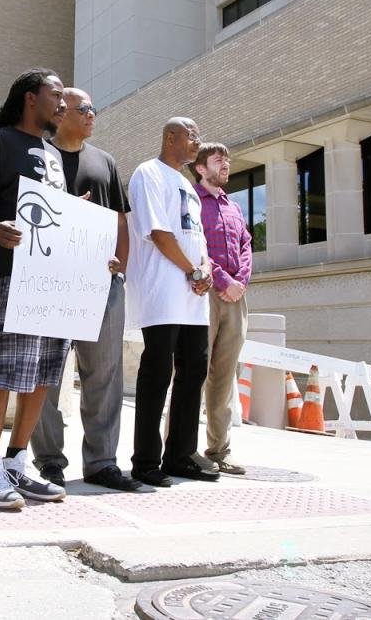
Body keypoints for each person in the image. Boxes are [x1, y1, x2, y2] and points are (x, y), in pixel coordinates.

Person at [0, 68, 71, 509]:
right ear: (30, 98)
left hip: (54, 279)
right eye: (56, 94)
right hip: (11, 273)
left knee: (46, 371)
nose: (63, 103)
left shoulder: (54, 153)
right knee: (7, 367)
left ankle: (15, 461)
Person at [30, 87, 142, 492]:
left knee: (105, 375)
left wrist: (121, 268)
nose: (93, 114)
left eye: (95, 108)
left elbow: (120, 221)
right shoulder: (40, 157)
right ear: (62, 113)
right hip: (55, 281)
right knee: (47, 375)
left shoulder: (105, 162)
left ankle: (102, 462)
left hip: (103, 285)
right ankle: (48, 461)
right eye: (85, 109)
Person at [125, 117, 220, 487]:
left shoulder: (187, 184)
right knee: (158, 372)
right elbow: (159, 233)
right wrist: (192, 271)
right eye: (192, 135)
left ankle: (180, 455)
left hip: (193, 294)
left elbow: (199, 237)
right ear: (170, 137)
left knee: (194, 369)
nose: (198, 140)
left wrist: (206, 270)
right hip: (164, 290)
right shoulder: (147, 173)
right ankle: (145, 461)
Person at [190, 143, 253, 476]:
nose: (225, 164)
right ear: (201, 168)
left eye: (226, 159)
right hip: (205, 295)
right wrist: (222, 280)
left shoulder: (234, 206)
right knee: (192, 374)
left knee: (225, 378)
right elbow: (194, 246)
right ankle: (179, 449)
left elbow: (246, 245)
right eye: (218, 160)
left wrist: (240, 280)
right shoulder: (193, 202)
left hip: (235, 297)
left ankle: (219, 450)